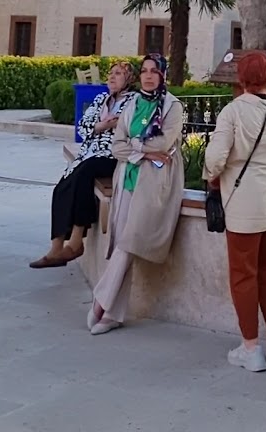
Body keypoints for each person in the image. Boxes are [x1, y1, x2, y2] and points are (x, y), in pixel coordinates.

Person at [204, 50, 266, 373]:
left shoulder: (233, 112)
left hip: (245, 209)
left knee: (244, 275)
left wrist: (212, 177)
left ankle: (251, 349)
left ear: (240, 78)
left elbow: (215, 160)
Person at [87, 53, 184, 335]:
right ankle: (113, 315)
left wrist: (135, 146)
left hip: (153, 183)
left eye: (155, 71)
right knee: (121, 240)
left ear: (162, 75)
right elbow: (117, 146)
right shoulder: (132, 104)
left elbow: (164, 143)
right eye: (144, 71)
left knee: (129, 242)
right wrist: (143, 151)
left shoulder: (172, 106)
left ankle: (100, 301)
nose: (149, 76)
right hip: (127, 179)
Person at [30, 61, 137, 269]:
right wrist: (101, 125)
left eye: (118, 73)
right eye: (111, 73)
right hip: (91, 153)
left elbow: (133, 126)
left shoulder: (134, 101)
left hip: (113, 155)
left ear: (129, 79)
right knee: (63, 185)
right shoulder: (101, 99)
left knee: (84, 174)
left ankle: (76, 240)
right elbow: (82, 127)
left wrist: (118, 124)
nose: (112, 77)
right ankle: (56, 248)